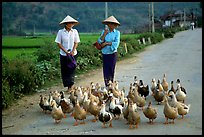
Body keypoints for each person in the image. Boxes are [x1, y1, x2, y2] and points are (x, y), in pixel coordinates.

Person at [55, 15, 80, 92]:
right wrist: (66, 51)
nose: (71, 25)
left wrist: (72, 51)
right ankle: (67, 85)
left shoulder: (75, 32)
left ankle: (71, 86)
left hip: (73, 54)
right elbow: (58, 43)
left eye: (72, 23)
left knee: (72, 69)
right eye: (69, 23)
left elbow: (76, 42)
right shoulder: (61, 32)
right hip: (64, 54)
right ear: (66, 24)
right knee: (65, 69)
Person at [97, 15, 121, 87]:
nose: (111, 25)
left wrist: (106, 43)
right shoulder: (104, 31)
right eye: (109, 24)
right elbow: (100, 41)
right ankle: (107, 84)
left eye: (112, 24)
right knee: (105, 69)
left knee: (111, 68)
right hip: (105, 53)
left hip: (112, 53)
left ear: (115, 25)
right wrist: (104, 34)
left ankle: (111, 83)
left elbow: (116, 43)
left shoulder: (117, 33)